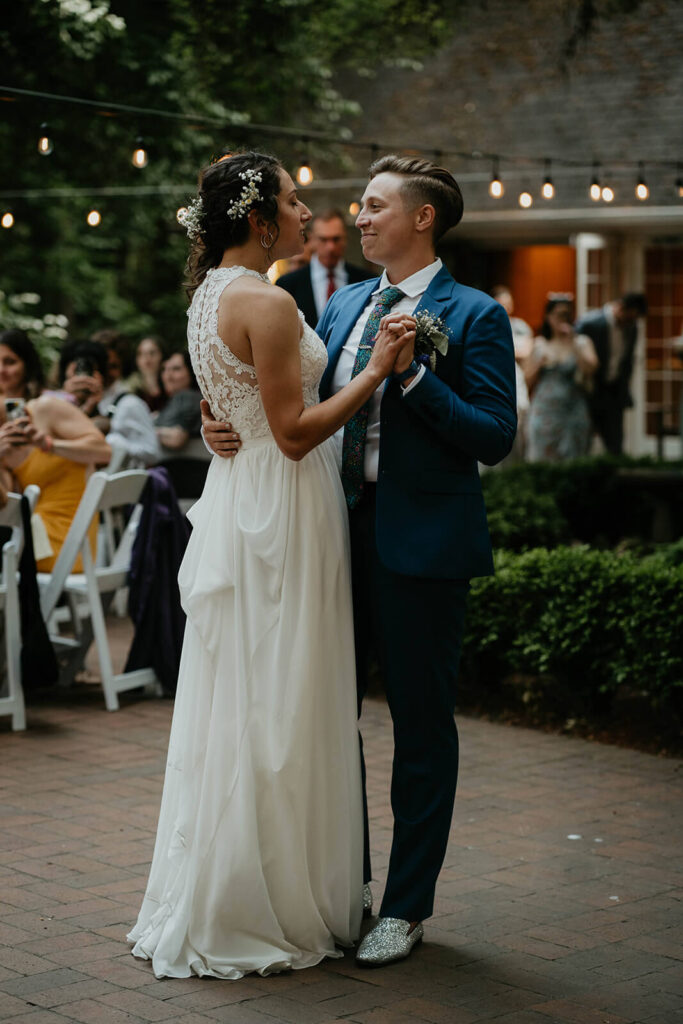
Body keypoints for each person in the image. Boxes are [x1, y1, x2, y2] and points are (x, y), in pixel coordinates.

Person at [202, 154, 517, 966]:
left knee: (419, 730)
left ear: (422, 219)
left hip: (420, 548)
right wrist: (218, 422)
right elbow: (284, 403)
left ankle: (404, 907)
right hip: (328, 538)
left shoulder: (473, 313)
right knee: (322, 718)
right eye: (357, 206)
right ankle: (348, 887)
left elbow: (493, 437)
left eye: (375, 206)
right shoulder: (339, 304)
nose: (358, 217)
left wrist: (411, 380)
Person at [127, 150, 413, 979]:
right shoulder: (268, 302)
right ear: (259, 220)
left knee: (246, 695)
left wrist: (224, 427)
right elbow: (291, 432)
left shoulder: (209, 294)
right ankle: (273, 897)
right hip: (285, 505)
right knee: (285, 698)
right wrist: (373, 372)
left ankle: (238, 882)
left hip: (241, 493)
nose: (305, 212)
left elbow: (236, 412)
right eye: (293, 201)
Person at [0, 332, 110, 572]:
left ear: (26, 366)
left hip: (64, 541)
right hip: (27, 535)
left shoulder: (46, 406)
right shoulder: (4, 438)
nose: (2, 371)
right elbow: (6, 503)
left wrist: (49, 445)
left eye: (9, 362)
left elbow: (104, 452)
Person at [59, 340, 160, 467]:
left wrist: (115, 445)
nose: (82, 377)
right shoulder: (54, 402)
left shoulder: (129, 404)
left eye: (88, 368)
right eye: (78, 369)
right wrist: (68, 399)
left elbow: (152, 453)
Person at [525, 295, 598, 462]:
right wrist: (538, 365)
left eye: (567, 315)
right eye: (558, 314)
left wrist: (573, 343)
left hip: (573, 410)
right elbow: (526, 381)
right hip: (545, 411)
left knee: (574, 457)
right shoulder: (539, 344)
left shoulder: (582, 342)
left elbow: (591, 370)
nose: (563, 319)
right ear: (548, 317)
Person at [575, 293, 648, 455]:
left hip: (614, 392)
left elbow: (627, 360)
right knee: (582, 441)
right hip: (589, 390)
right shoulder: (591, 323)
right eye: (630, 317)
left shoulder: (631, 328)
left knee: (615, 443)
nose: (631, 322)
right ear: (620, 307)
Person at [275, 208, 372, 327]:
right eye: (323, 239)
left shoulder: (366, 281)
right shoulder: (288, 284)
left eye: (336, 239)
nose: (330, 247)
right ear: (312, 239)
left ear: (345, 239)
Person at [491, 285, 533, 461]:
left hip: (516, 376)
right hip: (495, 375)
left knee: (519, 421)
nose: (506, 307)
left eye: (509, 303)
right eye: (502, 303)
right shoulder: (487, 326)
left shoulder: (519, 326)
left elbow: (527, 351)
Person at [154, 349, 202, 452]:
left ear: (192, 370)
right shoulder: (175, 400)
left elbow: (176, 438)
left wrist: (145, 430)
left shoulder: (187, 397)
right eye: (164, 369)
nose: (168, 376)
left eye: (176, 369)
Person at [131, 335, 167, 413]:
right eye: (142, 353)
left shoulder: (170, 384)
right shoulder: (131, 387)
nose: (147, 358)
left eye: (152, 353)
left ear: (162, 355)